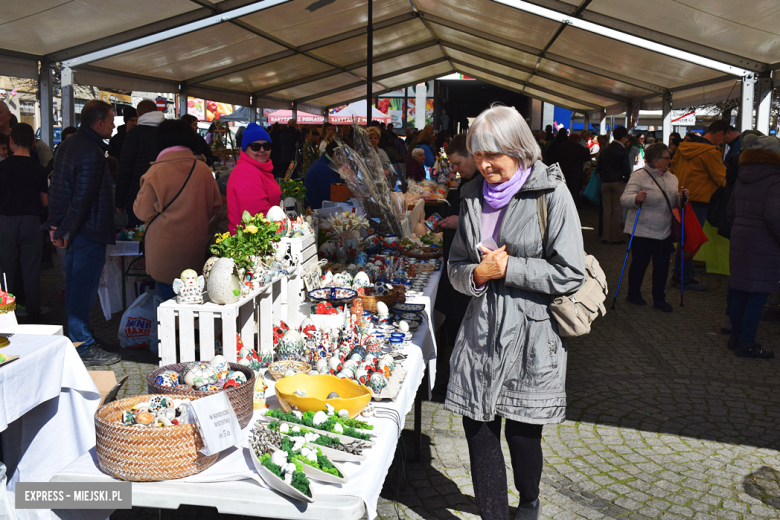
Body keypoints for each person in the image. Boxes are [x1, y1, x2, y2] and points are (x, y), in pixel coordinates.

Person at [447, 105, 585, 520]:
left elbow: (570, 273)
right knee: (478, 427)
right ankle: (492, 513)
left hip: (532, 335)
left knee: (524, 433)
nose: (485, 164)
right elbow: (455, 266)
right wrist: (477, 273)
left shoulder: (552, 194)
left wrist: (512, 268)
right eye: (479, 154)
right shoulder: (471, 195)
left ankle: (528, 502)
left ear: (520, 149)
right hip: (480, 331)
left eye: (494, 155)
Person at [45, 100, 120, 367]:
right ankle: (83, 346)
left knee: (78, 289)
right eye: (111, 120)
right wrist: (64, 228)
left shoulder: (70, 144)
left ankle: (83, 339)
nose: (113, 125)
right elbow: (83, 197)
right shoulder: (89, 150)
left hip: (78, 229)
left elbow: (59, 189)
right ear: (99, 123)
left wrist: (59, 225)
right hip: (86, 230)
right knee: (82, 290)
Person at [133, 119, 222, 301]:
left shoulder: (156, 172)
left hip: (165, 253)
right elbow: (216, 206)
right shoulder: (203, 169)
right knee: (192, 301)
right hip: (196, 248)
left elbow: (141, 212)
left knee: (168, 303)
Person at [724, 134, 780, 359]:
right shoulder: (776, 177)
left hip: (741, 238)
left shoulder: (743, 174)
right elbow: (775, 216)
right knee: (757, 293)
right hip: (764, 241)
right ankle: (746, 343)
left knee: (739, 289)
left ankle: (735, 337)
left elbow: (731, 210)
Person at [620, 143, 689, 312]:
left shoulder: (672, 178)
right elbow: (624, 199)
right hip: (641, 229)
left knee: (662, 266)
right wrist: (636, 198)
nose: (669, 160)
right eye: (667, 158)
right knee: (640, 263)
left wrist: (682, 199)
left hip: (664, 230)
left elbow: (674, 203)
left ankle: (659, 298)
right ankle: (633, 293)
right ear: (656, 160)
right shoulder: (639, 176)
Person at [669, 119, 728, 291]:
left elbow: (671, 170)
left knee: (684, 238)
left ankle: (679, 275)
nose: (722, 142)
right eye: (722, 138)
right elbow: (721, 178)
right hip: (699, 201)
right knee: (690, 240)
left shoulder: (683, 148)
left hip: (680, 197)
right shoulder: (710, 152)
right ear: (718, 134)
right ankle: (683, 277)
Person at [0, 123, 49, 323]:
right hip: (32, 222)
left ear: (11, 142)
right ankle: (34, 311)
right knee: (31, 269)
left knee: (6, 269)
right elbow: (44, 201)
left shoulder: (2, 167)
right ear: (33, 143)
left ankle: (6, 312)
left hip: (5, 221)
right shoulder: (38, 169)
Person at [117, 100, 165, 227]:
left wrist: (119, 200)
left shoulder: (135, 133)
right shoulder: (167, 132)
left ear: (139, 114)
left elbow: (125, 168)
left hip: (139, 194)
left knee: (138, 235)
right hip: (166, 195)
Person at [227, 123, 282, 233]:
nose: (262, 150)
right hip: (251, 244)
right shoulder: (246, 172)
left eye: (266, 146)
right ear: (245, 149)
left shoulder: (259, 170)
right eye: (255, 147)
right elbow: (258, 218)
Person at [599, 126, 631, 244]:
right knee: (617, 211)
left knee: (606, 210)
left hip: (605, 182)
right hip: (618, 183)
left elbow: (599, 166)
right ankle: (615, 237)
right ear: (623, 137)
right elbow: (626, 169)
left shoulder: (606, 149)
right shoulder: (623, 151)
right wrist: (626, 179)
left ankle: (605, 236)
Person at [555, 132, 591, 206]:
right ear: (577, 139)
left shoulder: (562, 145)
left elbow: (555, 157)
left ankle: (562, 206)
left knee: (563, 190)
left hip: (563, 172)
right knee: (574, 191)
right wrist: (587, 150)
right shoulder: (579, 147)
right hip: (576, 173)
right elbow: (587, 157)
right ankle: (572, 207)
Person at [304, 140, 341, 210]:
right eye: (346, 156)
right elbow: (331, 199)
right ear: (336, 154)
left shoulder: (323, 164)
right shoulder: (325, 170)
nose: (347, 160)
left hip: (316, 208)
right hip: (317, 212)